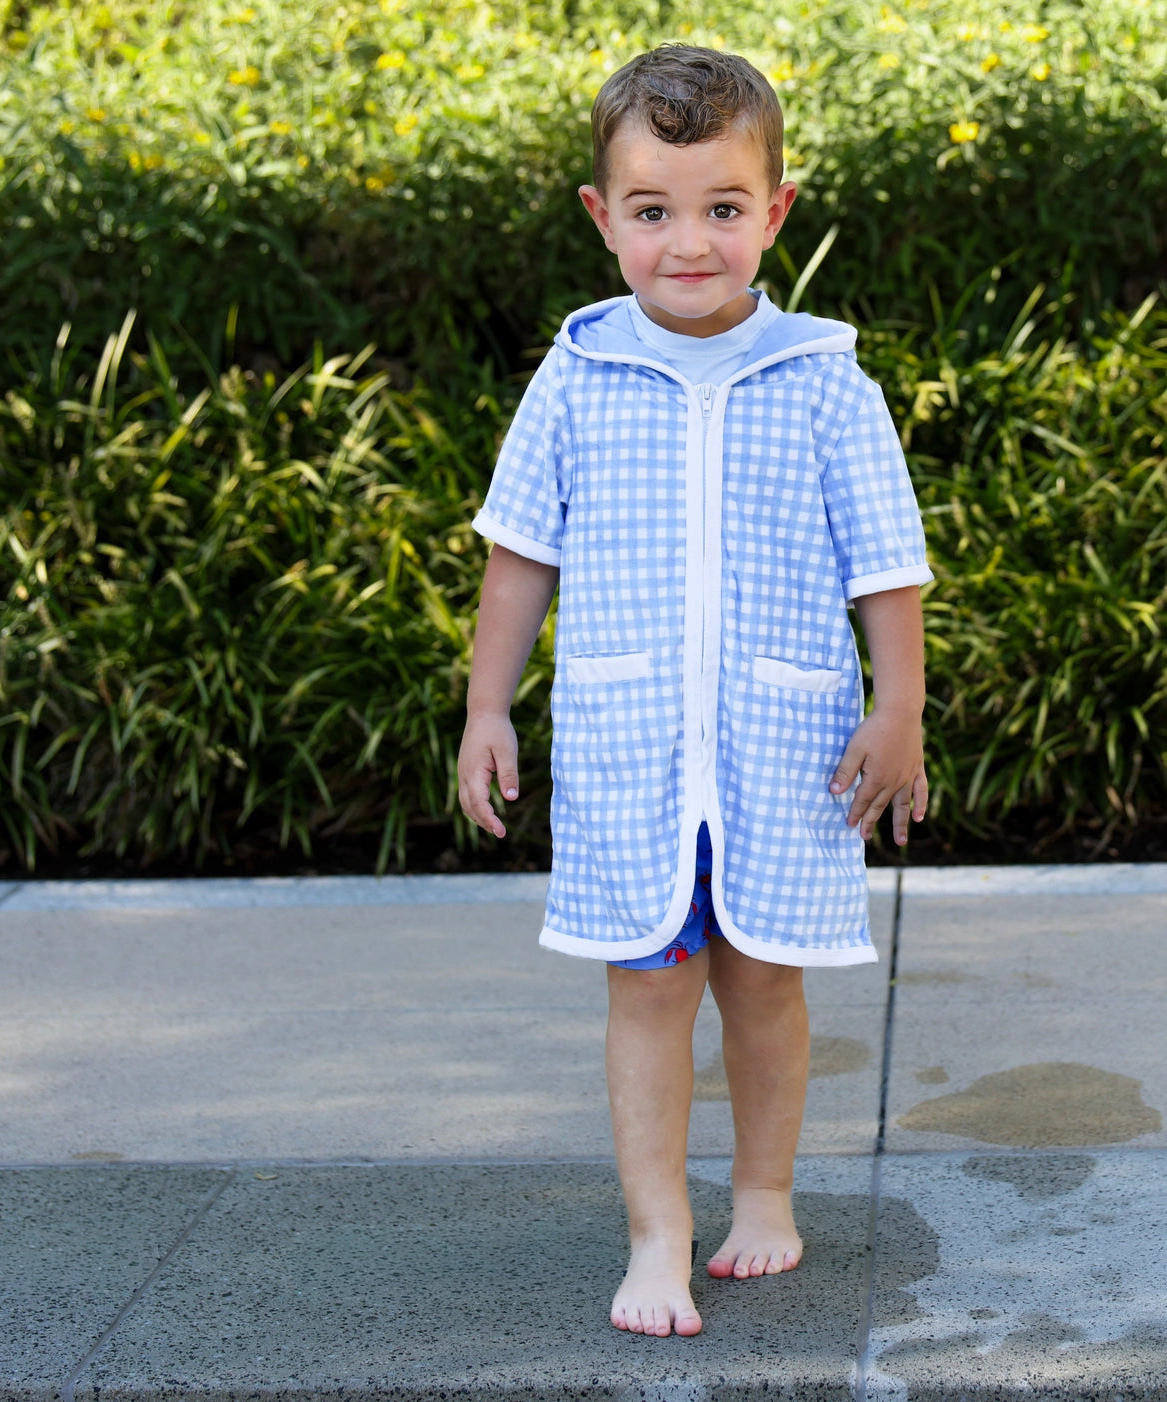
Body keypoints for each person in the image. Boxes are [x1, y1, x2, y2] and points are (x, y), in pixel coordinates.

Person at [456, 43, 932, 1339]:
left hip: (784, 748)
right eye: (653, 210)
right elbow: (519, 553)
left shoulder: (825, 380)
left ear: (774, 211)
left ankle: (763, 1194)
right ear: (602, 217)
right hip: (633, 751)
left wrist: (899, 707)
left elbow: (887, 563)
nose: (688, 242)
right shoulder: (577, 374)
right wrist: (488, 707)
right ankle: (656, 1229)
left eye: (722, 207)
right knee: (649, 987)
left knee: (765, 981)